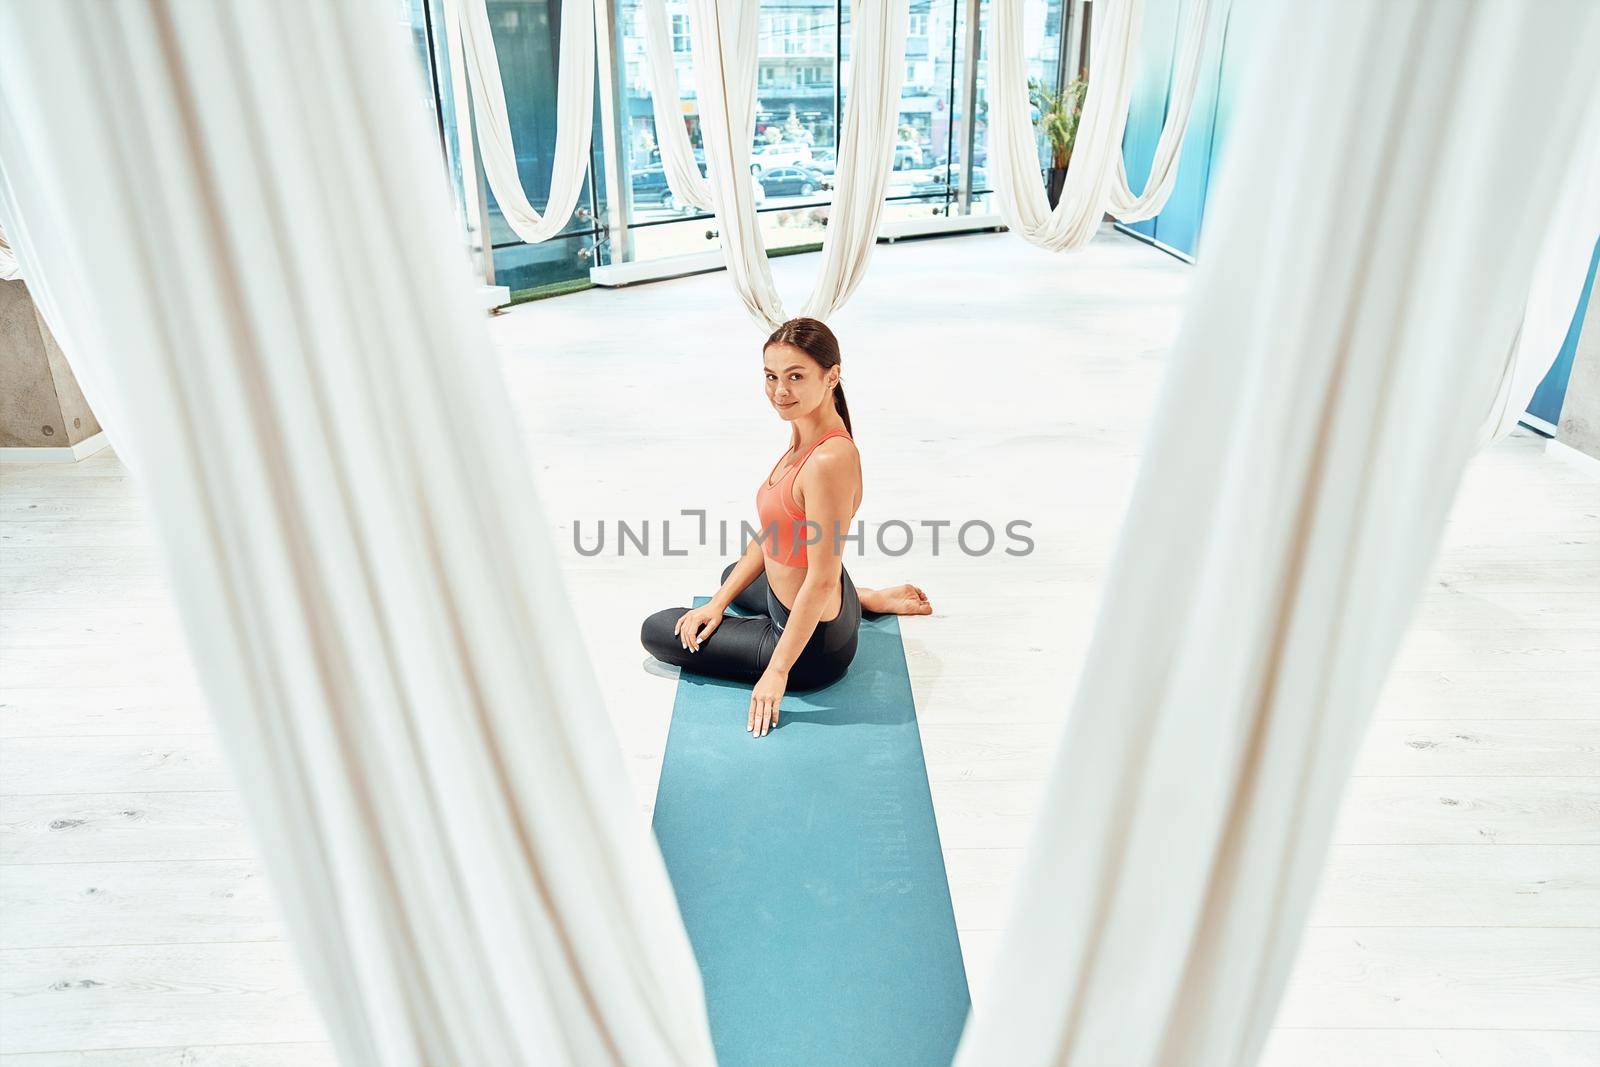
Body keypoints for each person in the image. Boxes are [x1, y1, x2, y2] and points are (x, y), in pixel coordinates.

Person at [640, 317, 932, 738]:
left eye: (796, 376)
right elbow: (777, 532)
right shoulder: (805, 435)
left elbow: (821, 577)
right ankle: (863, 599)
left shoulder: (828, 460)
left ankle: (850, 610)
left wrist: (778, 671)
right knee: (730, 577)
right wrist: (718, 603)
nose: (780, 391)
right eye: (771, 376)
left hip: (812, 650)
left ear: (831, 376)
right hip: (834, 603)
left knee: (657, 630)